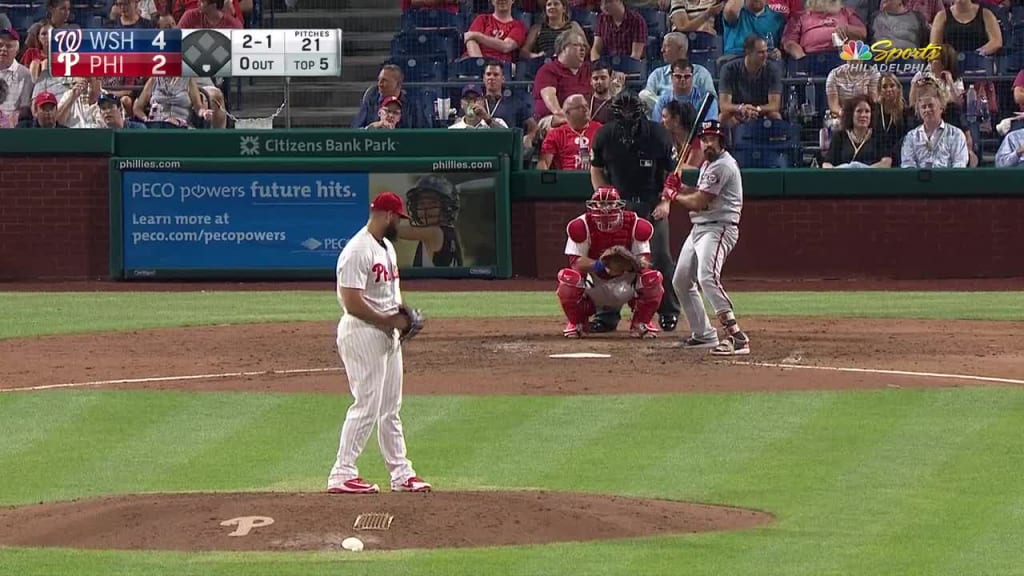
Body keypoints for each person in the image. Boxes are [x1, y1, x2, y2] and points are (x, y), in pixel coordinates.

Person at [326, 192, 432, 495]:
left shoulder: (385, 247)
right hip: (362, 333)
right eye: (398, 218)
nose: (400, 224)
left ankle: (401, 473)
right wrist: (391, 322)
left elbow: (388, 297)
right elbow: (352, 303)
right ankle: (342, 473)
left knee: (390, 408)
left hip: (386, 335)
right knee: (367, 405)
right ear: (387, 215)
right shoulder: (357, 250)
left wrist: (403, 317)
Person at [589, 91, 681, 333]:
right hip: (617, 206)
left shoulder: (658, 134)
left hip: (651, 203)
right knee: (611, 258)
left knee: (660, 257)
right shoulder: (605, 134)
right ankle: (607, 315)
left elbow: (672, 175)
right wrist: (604, 198)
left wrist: (666, 202)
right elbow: (596, 169)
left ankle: (668, 311)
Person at [659, 120, 751, 356]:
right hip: (700, 229)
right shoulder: (708, 164)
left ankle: (736, 336)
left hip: (719, 228)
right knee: (680, 280)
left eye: (713, 139)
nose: (708, 143)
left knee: (707, 276)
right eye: (705, 139)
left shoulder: (723, 166)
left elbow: (700, 203)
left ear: (722, 141)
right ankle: (703, 334)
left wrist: (674, 195)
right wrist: (681, 187)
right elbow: (698, 193)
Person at [556, 186, 664, 338]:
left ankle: (641, 322)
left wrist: (628, 262)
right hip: (595, 282)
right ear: (593, 205)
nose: (604, 209)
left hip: (626, 281)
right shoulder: (581, 225)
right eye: (601, 204)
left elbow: (645, 261)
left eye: (609, 204)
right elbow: (576, 262)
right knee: (568, 278)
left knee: (652, 278)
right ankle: (577, 322)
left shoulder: (635, 223)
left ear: (618, 205)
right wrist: (602, 265)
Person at [399, 175, 464, 267]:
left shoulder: (434, 233)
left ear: (446, 207)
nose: (426, 208)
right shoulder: (449, 232)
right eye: (421, 204)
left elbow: (393, 229)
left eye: (433, 203)